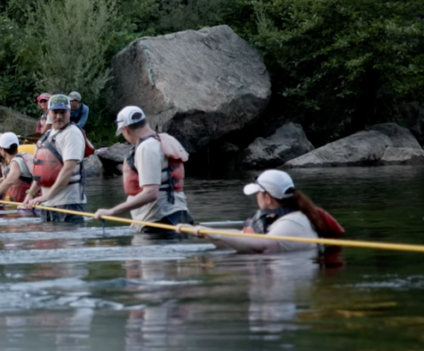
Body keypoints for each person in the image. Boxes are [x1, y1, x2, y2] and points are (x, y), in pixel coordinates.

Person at [189, 170, 344, 254]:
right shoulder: (281, 219)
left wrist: (215, 233)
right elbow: (241, 239)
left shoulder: (292, 222)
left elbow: (264, 246)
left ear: (268, 198)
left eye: (258, 194)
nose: (256, 197)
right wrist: (205, 233)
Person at [93, 106, 193, 234]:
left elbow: (151, 193)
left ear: (125, 130)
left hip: (160, 222)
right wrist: (139, 216)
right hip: (178, 217)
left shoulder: (146, 148)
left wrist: (111, 211)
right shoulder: (164, 140)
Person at [24, 95, 88, 222]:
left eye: (63, 112)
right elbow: (40, 171)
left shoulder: (72, 134)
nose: (59, 116)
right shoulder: (47, 135)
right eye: (55, 112)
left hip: (68, 203)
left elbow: (68, 169)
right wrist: (30, 194)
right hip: (47, 204)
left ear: (70, 112)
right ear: (48, 113)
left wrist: (46, 196)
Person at [0, 132, 36, 203]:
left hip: (29, 205)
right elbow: (3, 179)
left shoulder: (16, 162)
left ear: (2, 150)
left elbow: (10, 180)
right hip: (25, 203)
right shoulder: (21, 157)